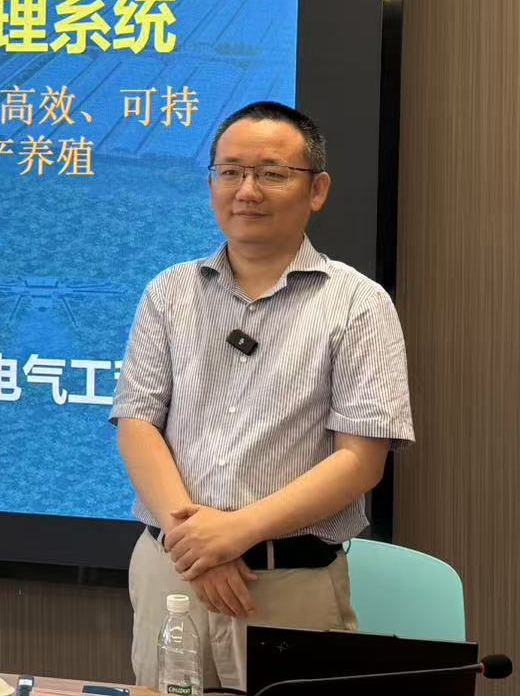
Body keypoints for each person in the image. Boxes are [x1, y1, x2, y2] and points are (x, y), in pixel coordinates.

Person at [109, 101, 414, 691]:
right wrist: (199, 545)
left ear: (317, 190)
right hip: (172, 575)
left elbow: (360, 462)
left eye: (272, 173)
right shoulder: (169, 292)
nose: (246, 190)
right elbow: (137, 423)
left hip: (288, 585)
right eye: (230, 172)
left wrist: (238, 532)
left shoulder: (359, 303)